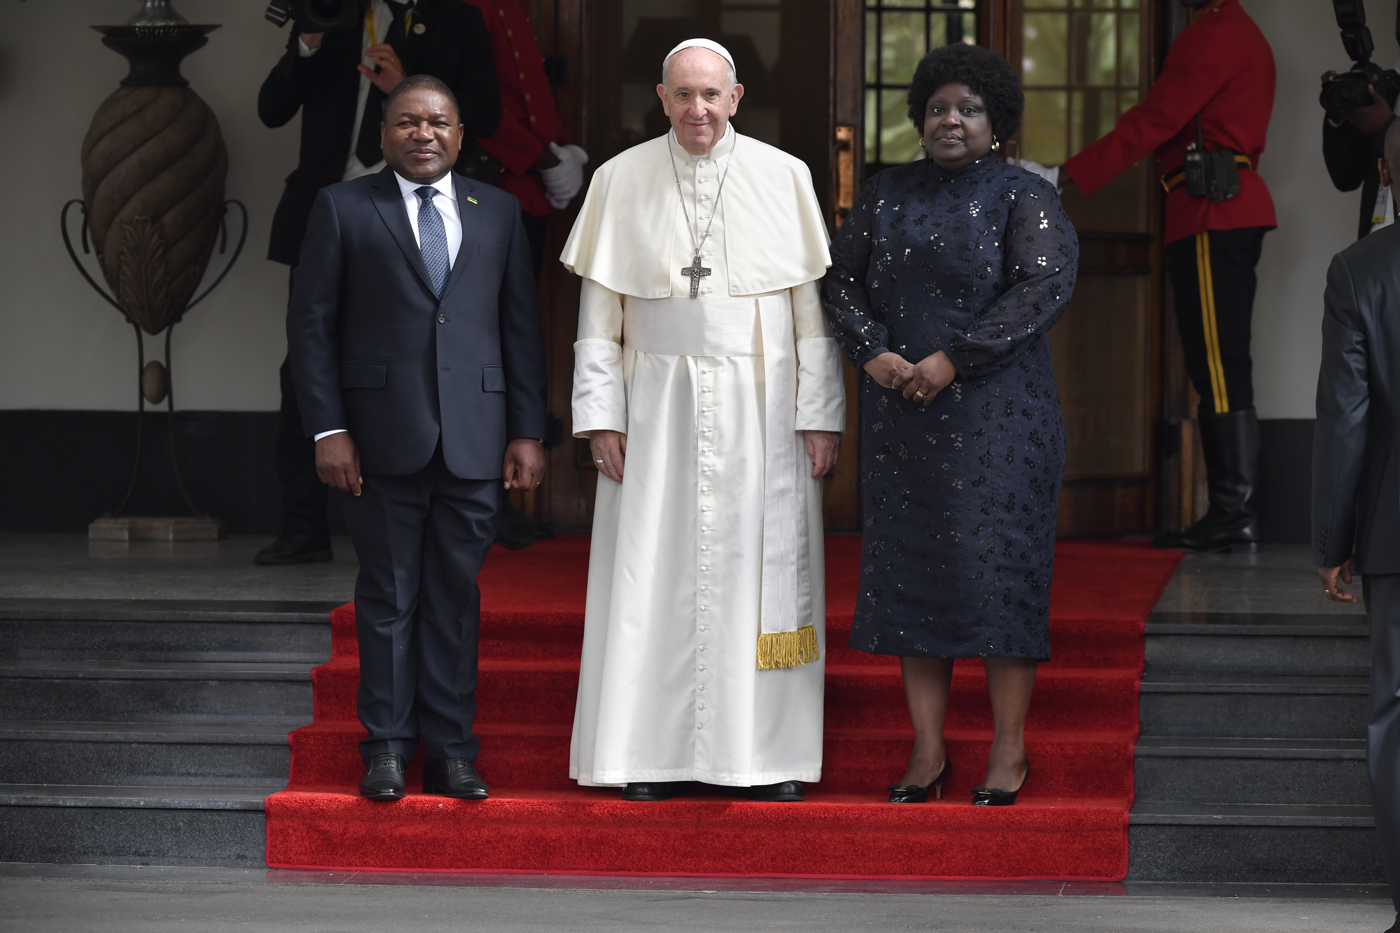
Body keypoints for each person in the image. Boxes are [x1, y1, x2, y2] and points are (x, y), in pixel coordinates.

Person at [562, 39, 846, 803]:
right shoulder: (618, 179)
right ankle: (647, 754)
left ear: (735, 97)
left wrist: (820, 415)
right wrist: (600, 416)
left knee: (756, 575)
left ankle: (763, 757)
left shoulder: (785, 176)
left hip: (763, 407)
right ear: (661, 98)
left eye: (711, 95)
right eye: (683, 95)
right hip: (653, 408)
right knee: (649, 573)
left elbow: (811, 318)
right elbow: (599, 317)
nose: (698, 110)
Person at [822, 43, 1076, 807]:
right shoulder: (885, 192)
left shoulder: (1023, 194)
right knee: (915, 580)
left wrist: (952, 360)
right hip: (905, 416)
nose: (951, 121)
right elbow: (839, 280)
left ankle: (1008, 749)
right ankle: (927, 751)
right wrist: (873, 353)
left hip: (1002, 421)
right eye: (937, 109)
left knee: (998, 581)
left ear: (997, 121)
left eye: (969, 109)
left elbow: (1042, 286)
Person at [287, 75, 547, 801]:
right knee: (389, 599)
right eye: (407, 122)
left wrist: (528, 430)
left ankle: (453, 753)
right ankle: (387, 750)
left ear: (460, 135)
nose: (422, 133)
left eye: (437, 122)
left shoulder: (497, 210)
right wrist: (329, 428)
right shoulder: (342, 206)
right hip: (376, 442)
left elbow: (520, 327)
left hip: (476, 440)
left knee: (454, 600)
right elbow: (310, 328)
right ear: (383, 134)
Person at [255, 0, 502, 566]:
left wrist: (405, 92)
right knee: (305, 364)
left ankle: (427, 517)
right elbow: (272, 109)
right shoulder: (333, 13)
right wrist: (307, 42)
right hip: (331, 214)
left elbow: (485, 116)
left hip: (421, 216)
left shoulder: (455, 19)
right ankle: (302, 526)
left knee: (422, 359)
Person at [1056, 0, 1276, 554]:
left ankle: (1234, 512)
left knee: (1218, 364)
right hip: (1213, 206)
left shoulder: (1216, 32)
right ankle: (1232, 511)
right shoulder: (1230, 29)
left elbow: (1157, 118)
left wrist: (1067, 175)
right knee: (1216, 361)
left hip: (1211, 210)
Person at [1313, 118, 1400, 933]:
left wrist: (1332, 541)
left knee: (1397, 714)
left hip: (1394, 532)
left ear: (1385, 172)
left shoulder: (1359, 269)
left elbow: (1346, 418)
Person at [462, 0, 589, 280]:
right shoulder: (469, 6)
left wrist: (563, 146)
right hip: (494, 181)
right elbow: (476, 105)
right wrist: (545, 160)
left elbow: (531, 88)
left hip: (533, 185)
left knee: (522, 300)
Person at [1321, 8, 1400, 241]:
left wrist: (1387, 127)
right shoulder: (1388, 86)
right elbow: (1346, 177)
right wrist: (1339, 111)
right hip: (1375, 247)